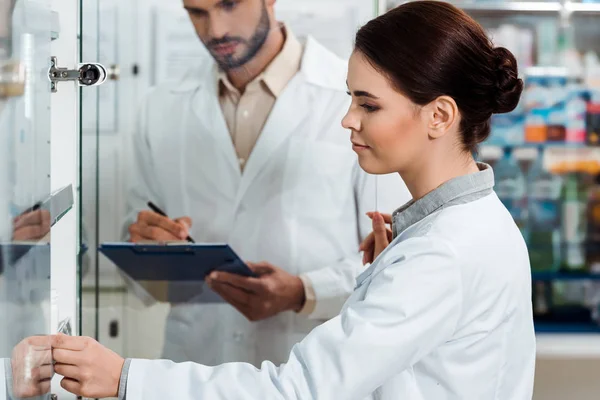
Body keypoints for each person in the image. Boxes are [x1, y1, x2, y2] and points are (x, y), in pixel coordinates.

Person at [53, 1, 536, 399]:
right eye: (350, 99)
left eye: (367, 105)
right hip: (202, 349)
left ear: (439, 116)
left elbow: (304, 386)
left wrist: (125, 379)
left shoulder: (441, 250)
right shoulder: (451, 230)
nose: (347, 119)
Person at [122, 0, 407, 366]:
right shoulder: (160, 107)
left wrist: (304, 292)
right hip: (196, 364)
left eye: (229, 4)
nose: (215, 30)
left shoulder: (355, 99)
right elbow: (137, 230)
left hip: (312, 364)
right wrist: (147, 247)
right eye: (197, 12)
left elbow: (395, 257)